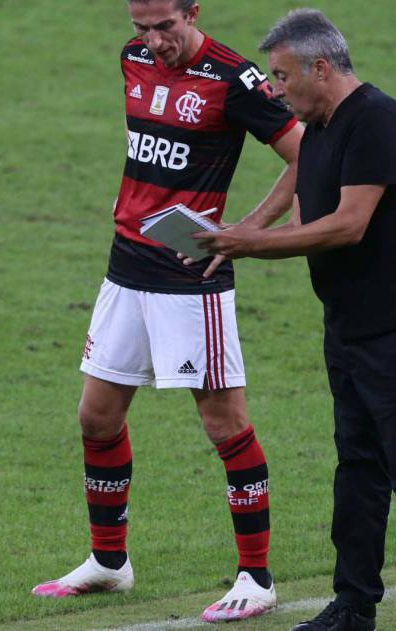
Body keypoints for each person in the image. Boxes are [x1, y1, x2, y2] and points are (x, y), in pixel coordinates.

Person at [188, 8, 396, 631]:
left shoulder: (377, 122)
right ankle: (353, 605)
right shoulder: (318, 129)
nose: (276, 91)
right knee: (358, 468)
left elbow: (346, 225)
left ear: (321, 67)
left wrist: (248, 245)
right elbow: (301, 209)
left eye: (282, 77)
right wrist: (238, 231)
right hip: (348, 325)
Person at [30, 0, 303, 623]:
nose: (153, 42)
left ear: (193, 13)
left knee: (224, 425)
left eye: (165, 28)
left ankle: (256, 578)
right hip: (125, 265)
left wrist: (248, 231)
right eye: (141, 29)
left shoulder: (233, 80)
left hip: (189, 277)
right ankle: (108, 563)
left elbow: (307, 152)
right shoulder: (131, 60)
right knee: (96, 418)